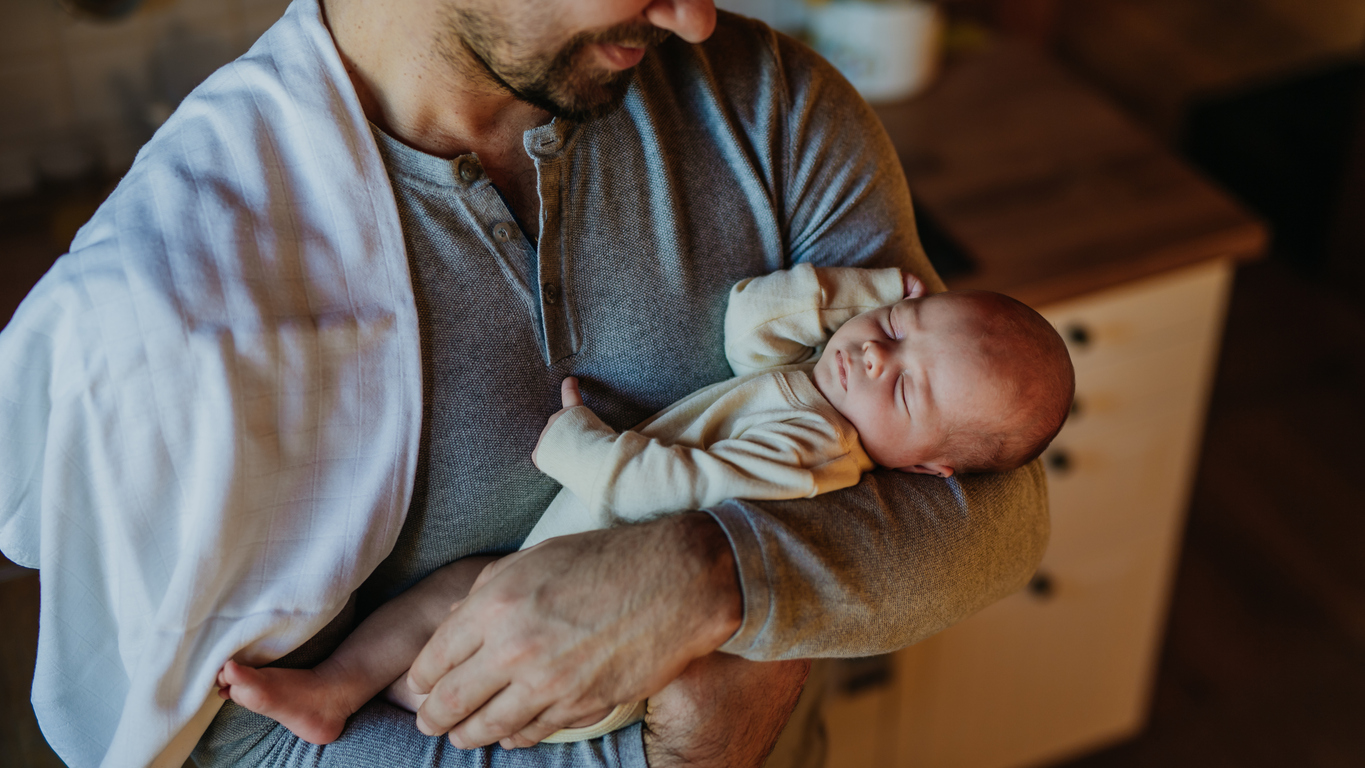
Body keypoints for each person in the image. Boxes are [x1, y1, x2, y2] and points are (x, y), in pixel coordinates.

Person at [0, 1, 1051, 767]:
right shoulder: (173, 303)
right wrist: (682, 738)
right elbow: (235, 749)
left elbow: (996, 512)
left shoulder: (767, 101)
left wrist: (708, 576)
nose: (692, 18)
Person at [212, 263, 1073, 750]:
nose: (875, 359)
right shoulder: (817, 383)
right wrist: (856, 298)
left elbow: (677, 489)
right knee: (460, 595)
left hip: (594, 634)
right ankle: (334, 691)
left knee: (459, 629)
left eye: (908, 387)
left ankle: (358, 699)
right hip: (551, 570)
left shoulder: (813, 452)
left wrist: (574, 442)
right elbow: (748, 325)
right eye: (895, 329)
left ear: (926, 467)